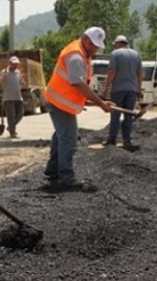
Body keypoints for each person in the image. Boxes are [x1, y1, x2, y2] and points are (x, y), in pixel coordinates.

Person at [42, 27, 113, 191]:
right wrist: (101, 103)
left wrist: (98, 102)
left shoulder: (82, 53)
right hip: (59, 103)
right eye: (94, 45)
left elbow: (77, 86)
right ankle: (66, 177)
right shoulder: (75, 56)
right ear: (86, 40)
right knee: (69, 140)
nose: (96, 49)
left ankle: (52, 170)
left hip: (60, 101)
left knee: (60, 137)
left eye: (98, 46)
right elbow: (79, 84)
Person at [102, 35, 143, 150]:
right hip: (132, 90)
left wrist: (105, 90)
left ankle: (111, 139)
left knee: (115, 114)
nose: (115, 46)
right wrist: (139, 89)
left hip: (118, 89)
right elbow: (139, 73)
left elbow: (112, 72)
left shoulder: (116, 54)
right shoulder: (136, 54)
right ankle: (126, 140)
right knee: (128, 116)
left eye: (115, 44)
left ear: (119, 43)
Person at [0, 55, 25, 138]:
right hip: (8, 98)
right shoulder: (4, 72)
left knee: (21, 114)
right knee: (11, 116)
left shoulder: (18, 72)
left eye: (16, 64)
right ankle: (12, 132)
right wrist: (2, 78)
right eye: (14, 64)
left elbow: (20, 81)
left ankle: (10, 127)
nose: (15, 65)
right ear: (10, 63)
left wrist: (22, 81)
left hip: (18, 97)